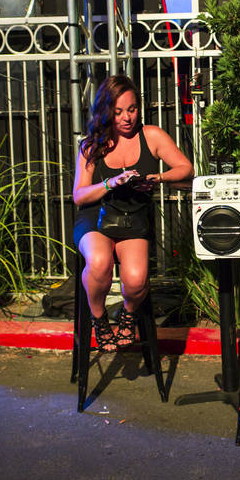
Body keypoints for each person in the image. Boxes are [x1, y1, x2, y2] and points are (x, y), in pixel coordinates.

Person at [73, 75, 192, 351]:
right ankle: (99, 318)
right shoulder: (92, 144)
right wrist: (109, 183)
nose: (127, 117)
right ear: (106, 112)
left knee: (136, 280)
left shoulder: (151, 136)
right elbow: (79, 195)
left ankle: (128, 314)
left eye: (132, 109)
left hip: (132, 216)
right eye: (118, 112)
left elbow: (186, 169)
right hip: (96, 216)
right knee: (100, 261)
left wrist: (158, 178)